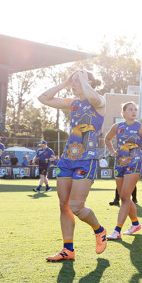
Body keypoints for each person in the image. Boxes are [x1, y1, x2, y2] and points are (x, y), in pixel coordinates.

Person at [37, 70, 107, 261]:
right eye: (74, 82)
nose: (75, 84)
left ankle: (99, 230)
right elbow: (43, 98)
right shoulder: (73, 103)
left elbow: (93, 97)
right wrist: (64, 83)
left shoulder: (99, 101)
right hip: (67, 159)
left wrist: (83, 80)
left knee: (77, 206)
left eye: (78, 81)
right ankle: (68, 249)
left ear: (89, 82)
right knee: (64, 205)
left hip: (87, 160)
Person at [104, 102, 142, 240]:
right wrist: (112, 151)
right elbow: (107, 139)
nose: (133, 112)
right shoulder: (117, 127)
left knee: (125, 196)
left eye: (135, 110)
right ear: (123, 113)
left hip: (135, 162)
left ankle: (117, 230)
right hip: (119, 162)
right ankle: (135, 224)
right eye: (130, 110)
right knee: (123, 197)